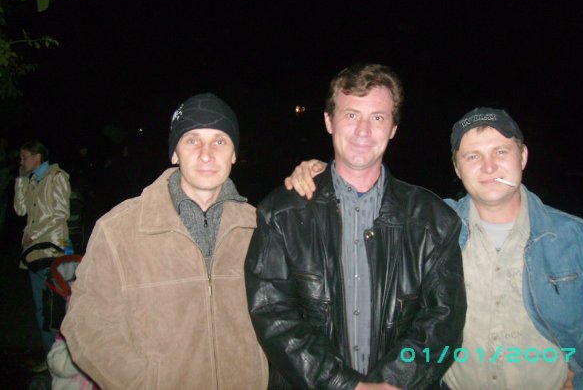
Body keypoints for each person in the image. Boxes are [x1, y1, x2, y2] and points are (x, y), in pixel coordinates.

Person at [288, 107, 583, 390]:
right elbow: (363, 206)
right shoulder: (431, 224)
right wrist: (322, 174)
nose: (489, 167)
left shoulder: (576, 238)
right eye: (473, 156)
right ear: (457, 168)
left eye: (500, 152)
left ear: (522, 157)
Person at [245, 63, 466, 390]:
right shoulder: (280, 214)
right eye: (351, 115)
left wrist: (392, 382)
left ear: (393, 128)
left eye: (377, 117)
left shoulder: (434, 220)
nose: (363, 131)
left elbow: (443, 322)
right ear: (328, 121)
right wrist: (345, 385)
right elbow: (273, 315)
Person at [61, 93, 268, 389]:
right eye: (192, 140)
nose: (206, 154)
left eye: (220, 141)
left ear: (234, 153)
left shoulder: (261, 228)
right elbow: (86, 324)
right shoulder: (118, 231)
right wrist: (143, 382)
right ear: (174, 153)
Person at [14, 139, 71, 370]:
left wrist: (33, 234)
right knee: (41, 308)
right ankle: (51, 359)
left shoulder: (57, 177)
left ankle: (68, 359)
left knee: (57, 307)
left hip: (52, 250)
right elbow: (20, 210)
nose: (21, 162)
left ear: (37, 157)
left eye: (24, 157)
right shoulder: (31, 180)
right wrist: (20, 181)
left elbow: (61, 214)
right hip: (33, 253)